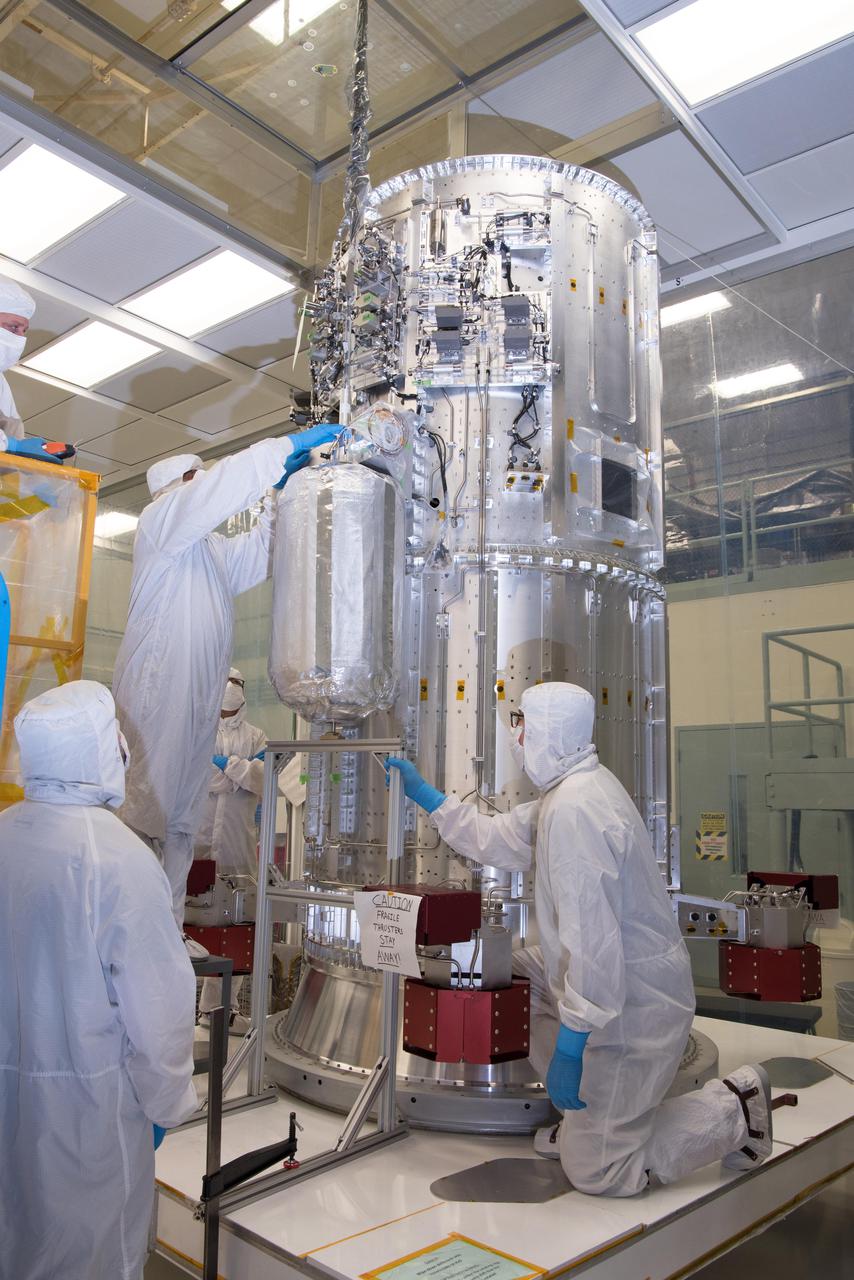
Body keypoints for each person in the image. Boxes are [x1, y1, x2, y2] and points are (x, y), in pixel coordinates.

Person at [386, 681, 774, 1198]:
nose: (518, 738)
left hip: (632, 1004)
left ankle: (736, 1106)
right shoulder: (569, 792)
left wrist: (572, 1041)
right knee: (506, 973)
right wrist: (429, 797)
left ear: (550, 730)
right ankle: (592, 1114)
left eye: (524, 726)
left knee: (599, 1173)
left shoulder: (576, 812)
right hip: (610, 979)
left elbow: (594, 944)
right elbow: (499, 838)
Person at [0, 681, 197, 1280]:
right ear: (96, 747)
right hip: (88, 1113)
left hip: (10, 1103)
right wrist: (165, 1102)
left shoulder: (6, 833)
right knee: (90, 1255)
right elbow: (158, 1008)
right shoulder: (117, 858)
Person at [112, 423, 336, 928]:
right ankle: (128, 937)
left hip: (194, 702)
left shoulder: (210, 551)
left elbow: (262, 552)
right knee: (146, 815)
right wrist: (280, 450)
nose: (206, 483)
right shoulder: (159, 522)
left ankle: (164, 936)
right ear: (177, 485)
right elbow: (218, 492)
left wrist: (280, 497)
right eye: (199, 477)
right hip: (157, 692)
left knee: (179, 825)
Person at [195, 666, 266, 1027]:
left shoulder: (257, 736)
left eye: (237, 682)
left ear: (244, 690)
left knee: (239, 923)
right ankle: (183, 1006)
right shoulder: (199, 728)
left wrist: (227, 767)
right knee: (193, 918)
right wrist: (240, 771)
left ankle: (218, 1011)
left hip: (239, 841)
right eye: (225, 681)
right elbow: (201, 776)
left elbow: (266, 781)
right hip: (199, 839)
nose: (230, 688)